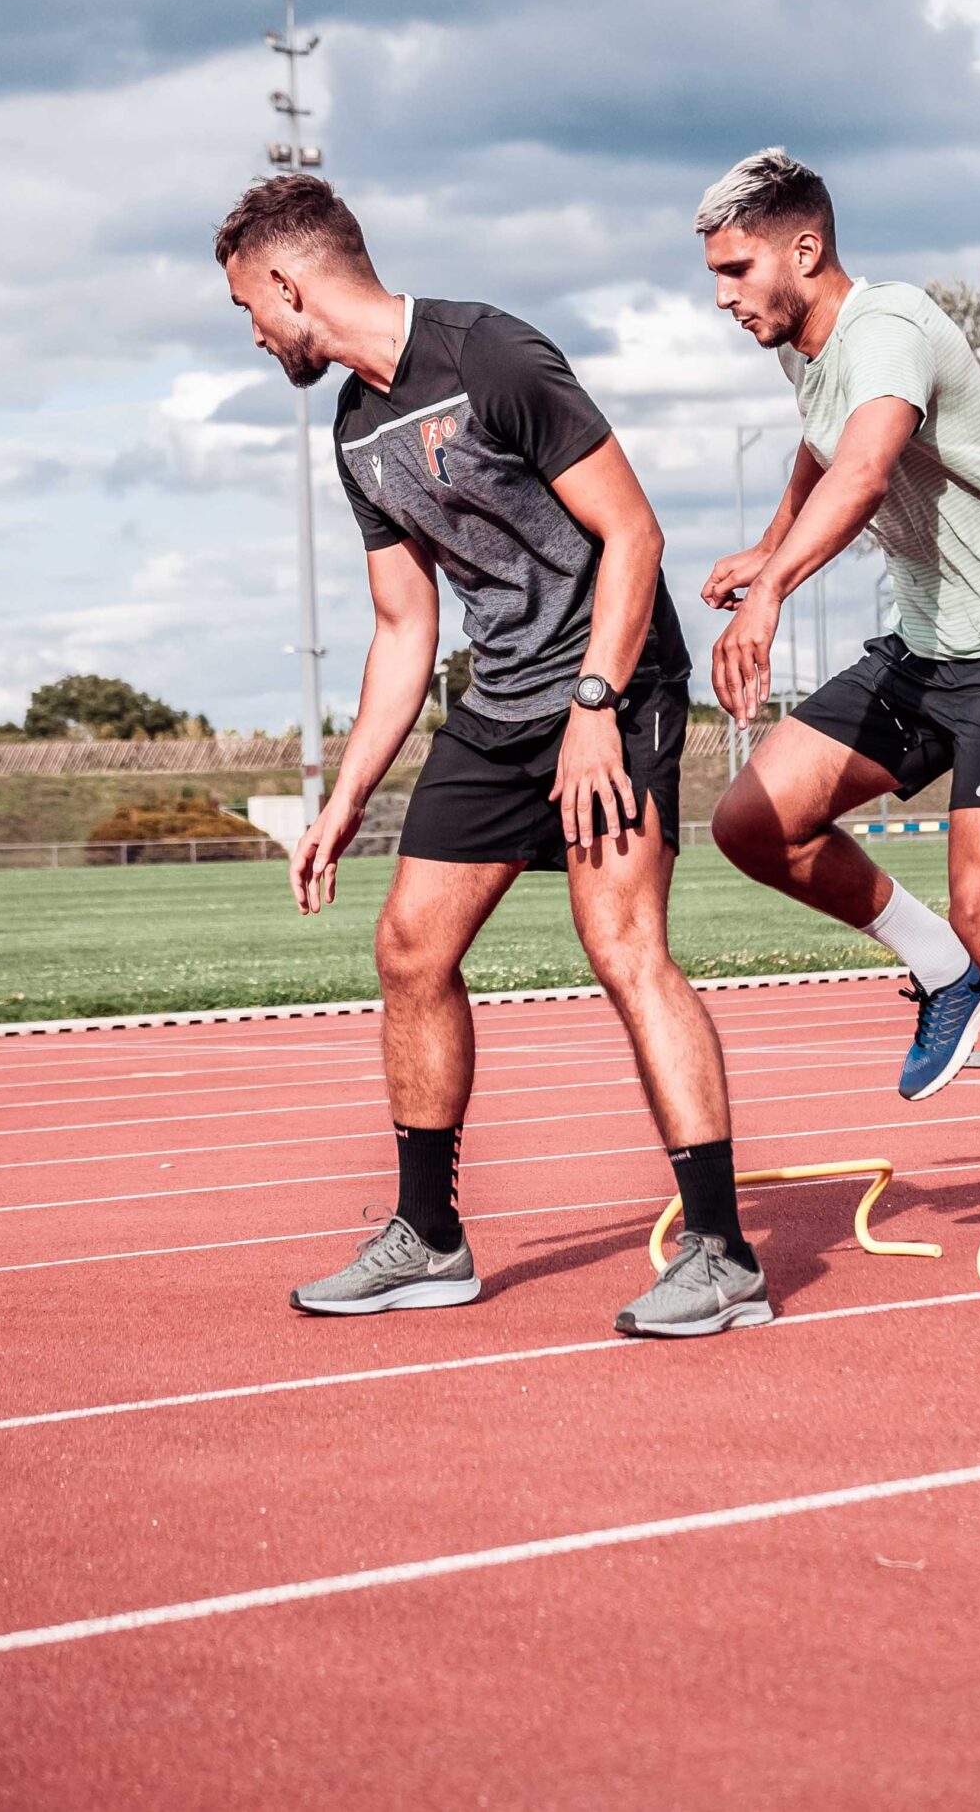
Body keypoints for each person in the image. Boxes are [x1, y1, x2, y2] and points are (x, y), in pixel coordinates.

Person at [216, 173, 767, 1339]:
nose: (254, 332)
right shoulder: (356, 429)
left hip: (612, 687)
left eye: (246, 309)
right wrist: (342, 799)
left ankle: (721, 1253)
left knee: (622, 944)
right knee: (410, 945)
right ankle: (431, 1236)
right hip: (498, 702)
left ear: (285, 280)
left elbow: (634, 533)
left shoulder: (492, 353)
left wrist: (593, 705)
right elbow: (403, 628)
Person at [695, 148, 980, 1283]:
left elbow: (863, 469)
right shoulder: (804, 349)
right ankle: (938, 967)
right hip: (925, 648)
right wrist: (768, 540)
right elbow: (820, 450)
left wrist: (770, 591)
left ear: (804, 250)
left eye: (736, 268)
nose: (722, 296)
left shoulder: (891, 322)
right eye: (712, 274)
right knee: (753, 822)